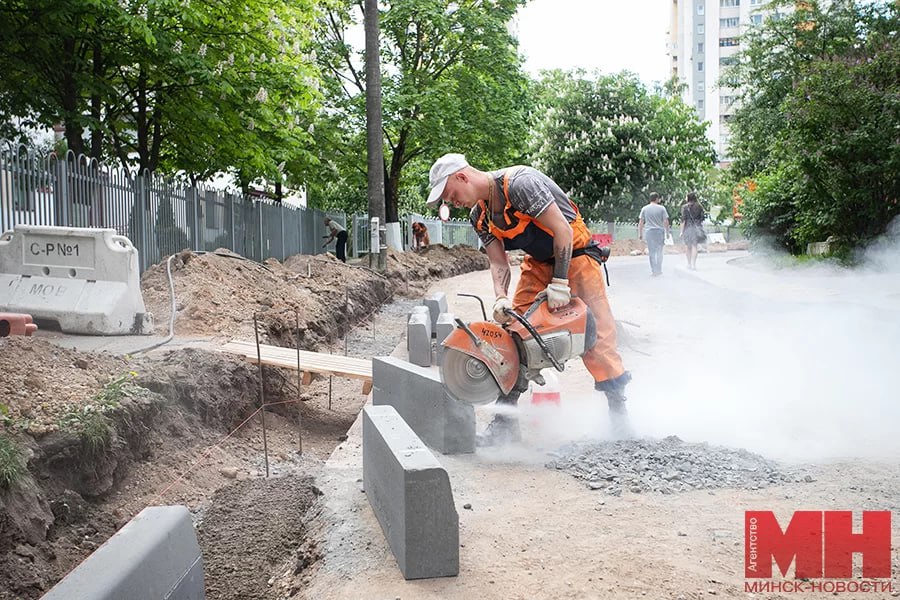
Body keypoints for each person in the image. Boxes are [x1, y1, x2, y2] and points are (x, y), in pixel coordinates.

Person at [426, 153, 632, 444]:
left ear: (462, 176)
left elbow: (561, 229)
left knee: (597, 335)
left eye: (450, 194)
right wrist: (500, 299)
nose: (452, 202)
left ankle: (620, 420)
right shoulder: (479, 217)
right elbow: (498, 263)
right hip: (537, 263)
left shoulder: (521, 184)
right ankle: (505, 423)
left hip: (577, 255)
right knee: (512, 336)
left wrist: (560, 283)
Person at [638, 192, 670, 277]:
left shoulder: (644, 209)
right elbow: (666, 221)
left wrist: (640, 233)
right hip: (659, 232)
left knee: (651, 252)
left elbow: (641, 222)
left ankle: (654, 271)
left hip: (649, 232)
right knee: (659, 251)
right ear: (656, 199)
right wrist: (667, 232)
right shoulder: (662, 208)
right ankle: (659, 270)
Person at [680, 192, 705, 271]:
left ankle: (689, 263)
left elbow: (683, 220)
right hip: (696, 228)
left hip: (687, 228)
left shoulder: (685, 207)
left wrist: (681, 231)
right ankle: (694, 264)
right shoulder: (699, 206)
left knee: (688, 247)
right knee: (695, 246)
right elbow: (702, 218)